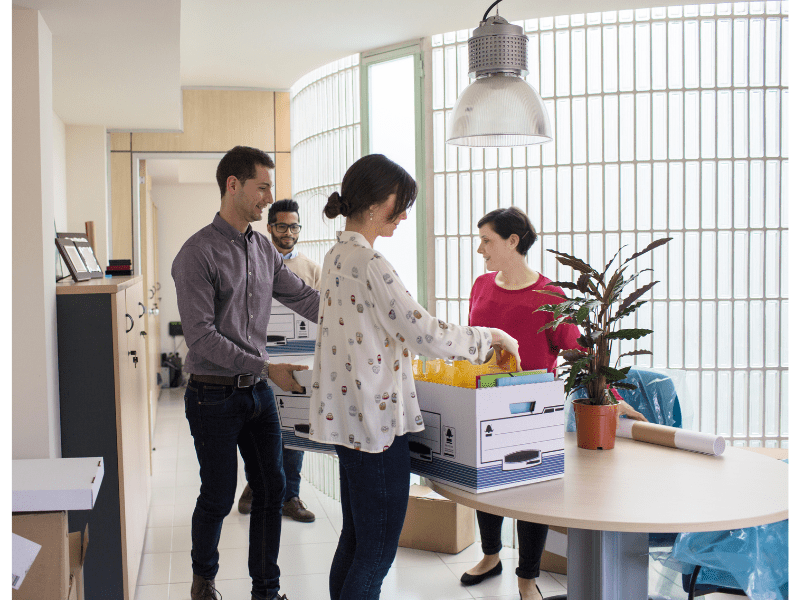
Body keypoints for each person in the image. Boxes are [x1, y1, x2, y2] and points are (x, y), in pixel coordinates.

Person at [307, 154, 522, 600]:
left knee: (355, 540)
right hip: (378, 427)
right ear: (375, 203)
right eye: (400, 204)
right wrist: (492, 337)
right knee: (377, 554)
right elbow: (424, 333)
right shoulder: (370, 263)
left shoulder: (334, 256)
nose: (404, 215)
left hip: (348, 421)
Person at [461, 207, 646, 600]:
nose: (481, 249)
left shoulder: (549, 294)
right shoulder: (480, 285)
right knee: (486, 485)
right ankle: (490, 556)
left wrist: (612, 397)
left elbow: (579, 350)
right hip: (486, 399)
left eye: (487, 240)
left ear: (513, 242)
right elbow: (472, 341)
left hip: (533, 407)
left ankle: (527, 579)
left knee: (531, 492)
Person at [172, 146, 320, 600]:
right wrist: (266, 366)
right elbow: (200, 338)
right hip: (212, 395)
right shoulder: (197, 254)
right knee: (218, 494)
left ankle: (266, 589)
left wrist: (357, 311)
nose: (268, 197)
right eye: (262, 187)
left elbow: (303, 298)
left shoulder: (261, 247)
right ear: (233, 185)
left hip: (256, 394)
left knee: (272, 487)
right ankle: (203, 580)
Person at [237, 198, 321, 523]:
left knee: (295, 430)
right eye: (282, 226)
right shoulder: (252, 265)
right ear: (270, 227)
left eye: (295, 226)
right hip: (260, 362)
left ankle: (291, 496)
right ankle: (256, 484)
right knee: (257, 427)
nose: (289, 232)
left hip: (299, 366)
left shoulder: (312, 270)